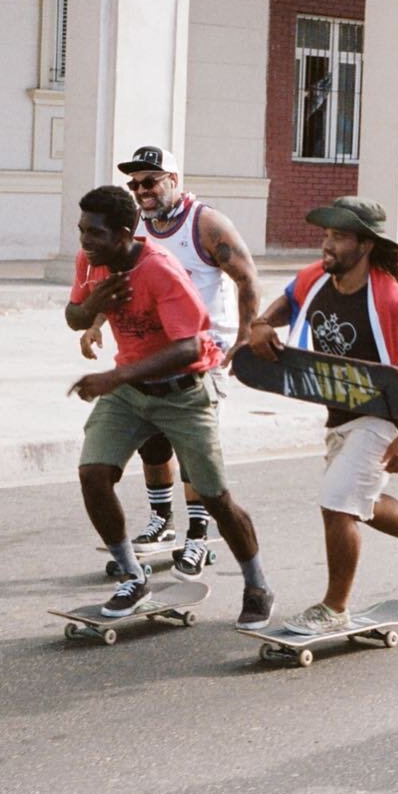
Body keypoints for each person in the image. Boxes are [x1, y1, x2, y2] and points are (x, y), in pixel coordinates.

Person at [66, 185, 274, 628]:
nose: (85, 241)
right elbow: (74, 315)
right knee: (93, 474)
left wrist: (114, 376)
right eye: (82, 230)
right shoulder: (91, 261)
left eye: (95, 233)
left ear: (123, 234)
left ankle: (257, 583)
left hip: (183, 392)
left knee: (216, 499)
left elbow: (186, 347)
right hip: (130, 393)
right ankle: (132, 575)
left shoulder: (160, 270)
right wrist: (94, 309)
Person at [248, 197, 398, 635]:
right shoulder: (317, 279)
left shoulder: (393, 301)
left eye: (339, 236)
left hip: (383, 415)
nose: (327, 244)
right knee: (359, 502)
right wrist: (263, 323)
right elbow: (288, 300)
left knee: (337, 503)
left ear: (365, 245)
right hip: (339, 414)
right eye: (326, 234)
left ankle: (334, 607)